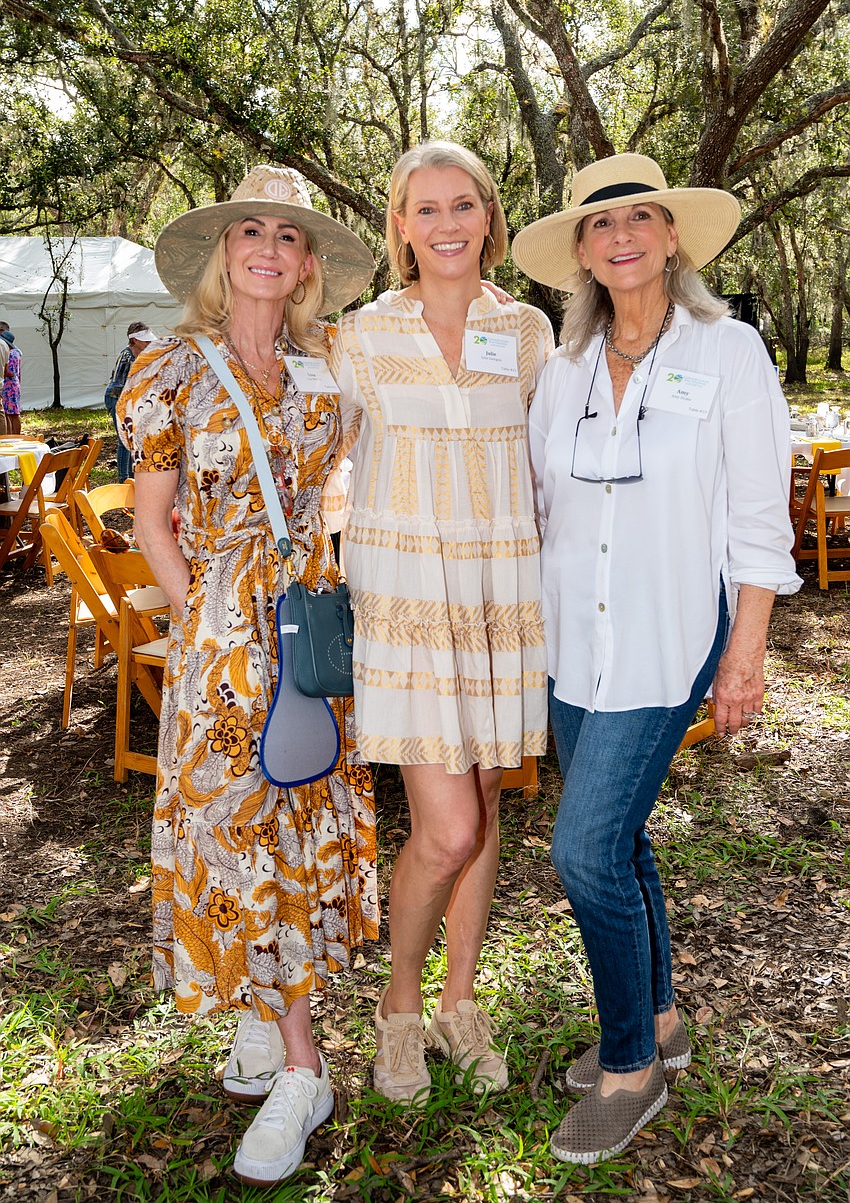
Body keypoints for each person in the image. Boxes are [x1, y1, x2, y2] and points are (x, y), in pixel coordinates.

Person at [511, 153, 801, 1163]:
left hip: (672, 636)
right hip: (573, 644)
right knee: (622, 841)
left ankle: (629, 1066)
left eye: (640, 217)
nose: (620, 235)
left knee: (582, 849)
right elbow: (543, 510)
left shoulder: (730, 354)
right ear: (583, 252)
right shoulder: (563, 370)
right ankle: (665, 1021)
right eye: (600, 224)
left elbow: (761, 517)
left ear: (672, 236)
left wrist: (746, 653)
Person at [118, 166, 378, 1185]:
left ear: (308, 261)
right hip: (224, 637)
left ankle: (282, 1037)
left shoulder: (326, 363)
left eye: (288, 234)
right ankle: (300, 1063)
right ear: (224, 253)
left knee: (294, 817)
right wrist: (202, 632)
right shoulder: (169, 366)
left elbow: (346, 483)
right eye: (250, 231)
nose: (269, 246)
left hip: (311, 627)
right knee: (234, 826)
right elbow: (151, 517)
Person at [330, 141, 554, 1105]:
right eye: (425, 208)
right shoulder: (362, 337)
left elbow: (555, 464)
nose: (447, 223)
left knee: (487, 808)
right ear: (399, 226)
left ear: (489, 216)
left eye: (463, 204)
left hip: (505, 599)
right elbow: (314, 456)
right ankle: (399, 1006)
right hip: (408, 606)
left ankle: (462, 1004)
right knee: (446, 825)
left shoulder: (533, 331)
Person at [106, 323, 158, 480]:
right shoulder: (128, 358)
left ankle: (130, 476)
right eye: (146, 341)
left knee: (130, 439)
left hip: (125, 400)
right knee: (124, 440)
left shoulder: (134, 355)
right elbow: (125, 385)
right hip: (118, 399)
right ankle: (124, 478)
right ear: (135, 340)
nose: (149, 343)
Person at [1, 331, 20, 434]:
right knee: (12, 413)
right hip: (14, 385)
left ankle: (13, 435)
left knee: (10, 414)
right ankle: (13, 434)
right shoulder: (17, 352)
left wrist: (2, 372)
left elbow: (10, 372)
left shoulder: (10, 353)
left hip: (9, 385)